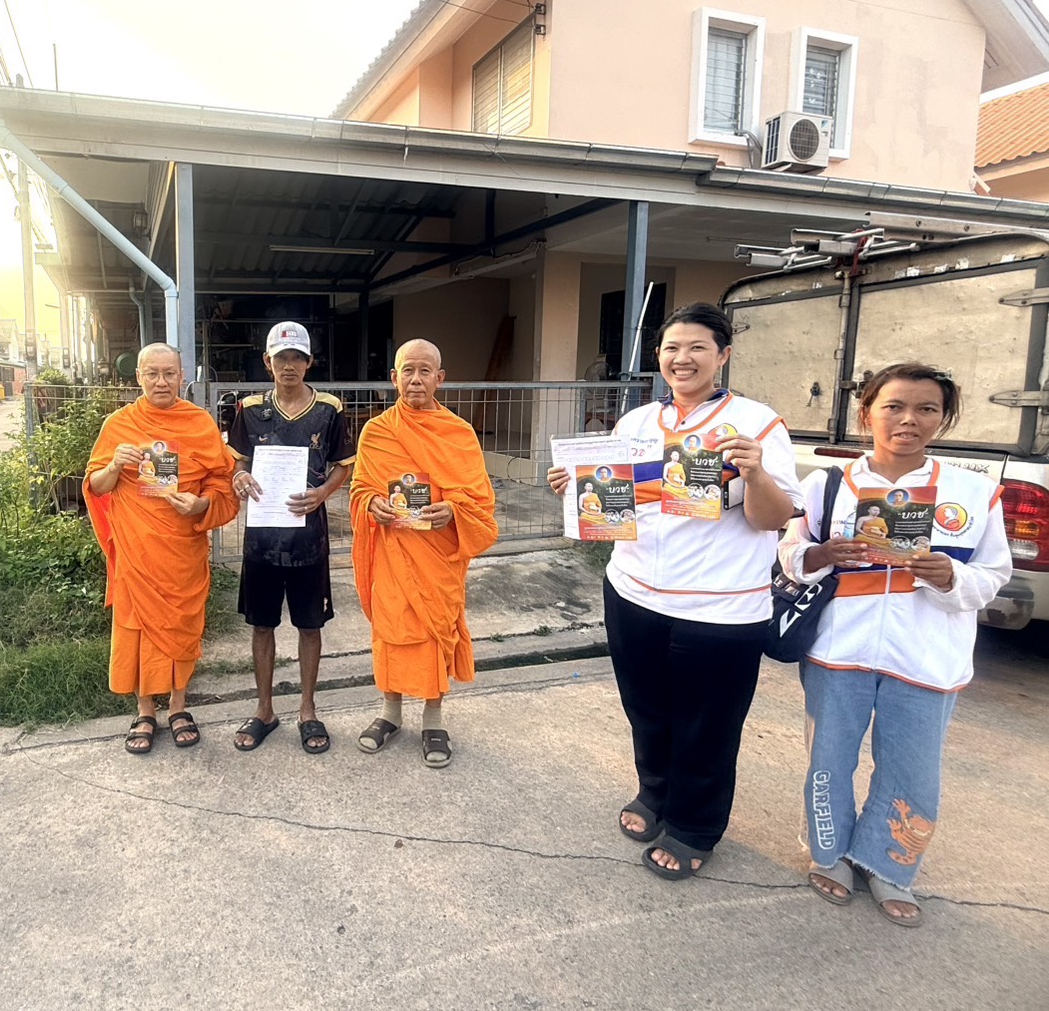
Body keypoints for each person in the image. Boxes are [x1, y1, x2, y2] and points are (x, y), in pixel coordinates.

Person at [547, 302, 801, 879]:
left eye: (697, 348)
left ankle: (694, 825)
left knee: (707, 722)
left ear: (723, 355)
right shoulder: (637, 423)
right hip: (634, 592)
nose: (682, 359)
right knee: (648, 710)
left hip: (720, 608)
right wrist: (577, 486)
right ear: (658, 357)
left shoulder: (755, 424)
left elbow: (772, 518)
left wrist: (757, 473)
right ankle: (655, 792)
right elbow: (613, 508)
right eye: (671, 349)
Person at [778, 363, 1010, 926]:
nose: (909, 420)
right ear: (868, 413)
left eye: (926, 409)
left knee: (912, 768)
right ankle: (828, 851)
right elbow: (788, 553)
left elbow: (996, 574)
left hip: (929, 655)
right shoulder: (827, 484)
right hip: (839, 651)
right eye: (894, 407)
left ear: (943, 418)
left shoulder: (973, 493)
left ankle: (889, 862)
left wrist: (949, 577)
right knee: (828, 758)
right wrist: (821, 556)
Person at [84, 343, 239, 754]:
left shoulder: (199, 423)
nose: (161, 381)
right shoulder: (120, 424)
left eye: (169, 373)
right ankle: (145, 710)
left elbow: (221, 481)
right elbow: (95, 486)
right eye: (152, 373)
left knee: (180, 627)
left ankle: (178, 706)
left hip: (182, 548)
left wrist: (203, 503)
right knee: (138, 629)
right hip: (138, 551)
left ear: (182, 376)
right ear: (138, 377)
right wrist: (115, 466)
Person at [349, 339, 498, 768]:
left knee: (435, 630)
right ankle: (389, 712)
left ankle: (433, 718)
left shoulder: (458, 433)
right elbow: (361, 488)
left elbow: (479, 502)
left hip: (437, 554)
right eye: (407, 371)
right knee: (392, 629)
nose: (416, 379)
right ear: (394, 377)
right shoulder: (377, 431)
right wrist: (370, 504)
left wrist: (453, 510)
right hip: (392, 550)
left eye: (424, 371)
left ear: (440, 378)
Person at [227, 321, 356, 754]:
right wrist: (240, 477)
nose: (289, 366)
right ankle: (264, 709)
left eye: (297, 358)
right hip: (262, 538)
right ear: (267, 362)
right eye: (280, 358)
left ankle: (307, 709)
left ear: (308, 363)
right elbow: (237, 462)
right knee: (262, 625)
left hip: (309, 542)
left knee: (309, 625)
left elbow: (343, 464)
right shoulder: (248, 409)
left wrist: (323, 492)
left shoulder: (329, 410)